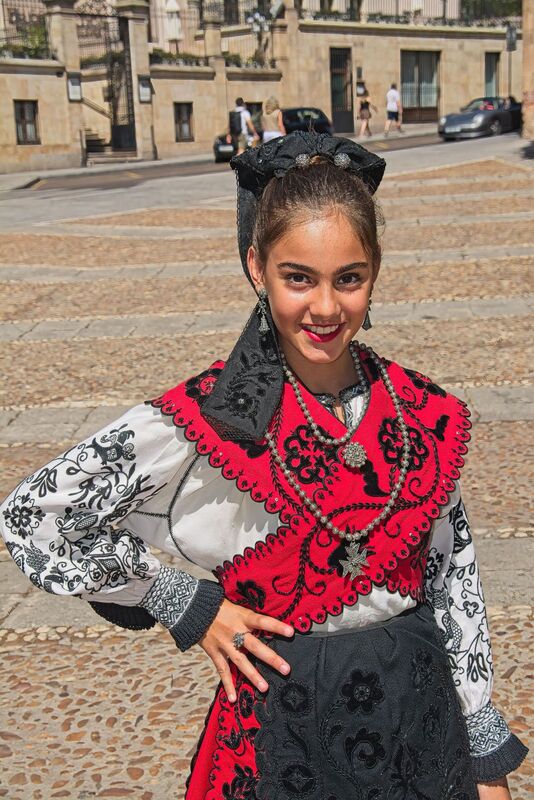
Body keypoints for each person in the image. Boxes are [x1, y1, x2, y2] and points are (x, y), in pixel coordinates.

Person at [0, 132, 527, 800]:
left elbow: (453, 577)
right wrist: (184, 601)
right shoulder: (205, 420)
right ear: (257, 266)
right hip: (283, 731)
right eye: (298, 277)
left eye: (350, 278)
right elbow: (34, 517)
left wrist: (483, 748)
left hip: (418, 725)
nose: (327, 307)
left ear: (375, 271)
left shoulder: (423, 408)